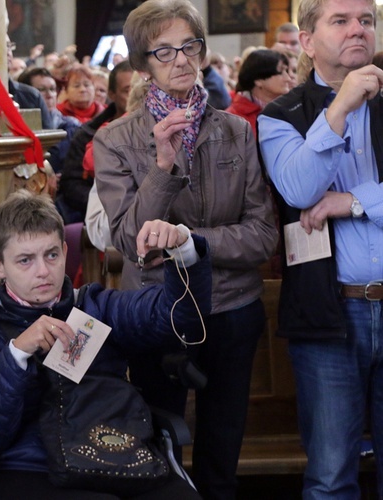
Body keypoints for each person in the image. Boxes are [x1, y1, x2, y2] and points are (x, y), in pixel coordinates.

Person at [94, 1, 278, 498]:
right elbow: (132, 244)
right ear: (143, 63)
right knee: (159, 452)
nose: (181, 60)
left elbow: (263, 234)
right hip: (158, 311)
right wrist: (162, 164)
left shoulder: (236, 131)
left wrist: (194, 244)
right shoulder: (114, 139)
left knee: (222, 457)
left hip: (231, 308)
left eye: (190, 46)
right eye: (164, 51)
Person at [0, 190, 212, 500]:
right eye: (25, 260)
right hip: (28, 466)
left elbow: (177, 316)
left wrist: (183, 249)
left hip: (112, 453)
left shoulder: (94, 306)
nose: (43, 271)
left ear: (66, 252)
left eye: (51, 255)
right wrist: (15, 354)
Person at [257, 0, 383, 497]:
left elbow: (328, 200)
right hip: (330, 311)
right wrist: (341, 107)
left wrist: (351, 201)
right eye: (341, 20)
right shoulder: (280, 115)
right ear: (307, 42)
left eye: (367, 20)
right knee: (331, 476)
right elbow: (298, 190)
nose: (358, 29)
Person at [58, 60, 135, 224]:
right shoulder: (87, 134)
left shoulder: (159, 130)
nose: (136, 96)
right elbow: (72, 185)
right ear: (112, 95)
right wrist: (106, 204)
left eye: (141, 89)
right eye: (128, 90)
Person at [18, 67, 81, 174]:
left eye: (52, 89)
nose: (49, 95)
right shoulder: (17, 128)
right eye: (41, 90)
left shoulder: (71, 126)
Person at [225, 49, 292, 135]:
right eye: (280, 72)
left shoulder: (292, 109)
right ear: (259, 80)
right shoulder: (233, 118)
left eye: (286, 71)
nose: (288, 78)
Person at [7, 36, 53, 129]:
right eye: (1, 46)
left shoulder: (31, 95)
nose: (7, 52)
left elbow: (48, 139)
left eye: (8, 46)